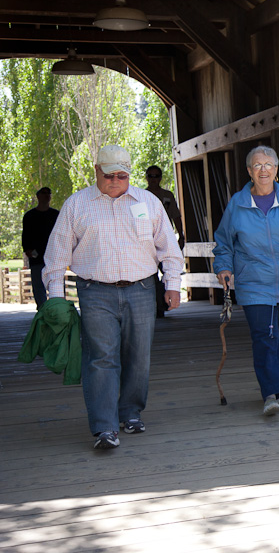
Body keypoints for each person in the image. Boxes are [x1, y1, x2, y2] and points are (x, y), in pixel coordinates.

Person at [43, 145, 184, 450]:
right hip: (95, 291)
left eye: (123, 175)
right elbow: (55, 256)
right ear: (97, 171)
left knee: (138, 356)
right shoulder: (76, 205)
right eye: (109, 175)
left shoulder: (147, 202)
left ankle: (130, 413)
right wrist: (55, 299)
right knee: (101, 358)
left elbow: (169, 249)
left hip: (143, 289)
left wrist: (172, 284)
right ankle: (104, 427)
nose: (116, 180)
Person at [213, 145, 279, 416]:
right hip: (254, 283)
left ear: (276, 169)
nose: (263, 170)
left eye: (268, 165)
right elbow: (224, 241)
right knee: (264, 337)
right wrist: (223, 267)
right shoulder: (237, 205)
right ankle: (270, 393)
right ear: (249, 172)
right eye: (257, 165)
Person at [145, 165, 185, 318]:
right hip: (148, 241)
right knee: (151, 274)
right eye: (150, 176)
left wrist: (181, 236)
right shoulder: (143, 196)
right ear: (146, 178)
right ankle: (156, 306)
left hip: (164, 240)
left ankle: (165, 299)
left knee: (168, 271)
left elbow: (176, 216)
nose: (153, 179)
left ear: (161, 177)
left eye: (156, 176)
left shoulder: (167, 195)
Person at [22, 186, 59, 309]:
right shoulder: (29, 216)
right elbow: (25, 236)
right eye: (44, 193)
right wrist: (28, 250)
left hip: (53, 257)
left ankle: (55, 310)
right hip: (37, 258)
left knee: (55, 285)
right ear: (38, 196)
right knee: (38, 287)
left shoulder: (56, 215)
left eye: (49, 193)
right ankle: (43, 311)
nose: (47, 195)